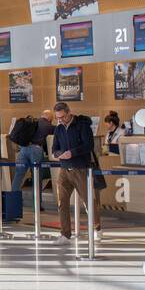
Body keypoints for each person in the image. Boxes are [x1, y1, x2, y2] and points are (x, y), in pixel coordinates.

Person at [51, 101, 100, 241]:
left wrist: (72, 153)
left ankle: (97, 228)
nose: (60, 120)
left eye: (63, 117)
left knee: (88, 201)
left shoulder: (82, 126)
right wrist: (58, 154)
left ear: (69, 112)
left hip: (80, 168)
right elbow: (54, 148)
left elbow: (89, 145)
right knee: (62, 202)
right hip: (64, 169)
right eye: (58, 118)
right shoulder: (58, 129)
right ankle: (65, 234)